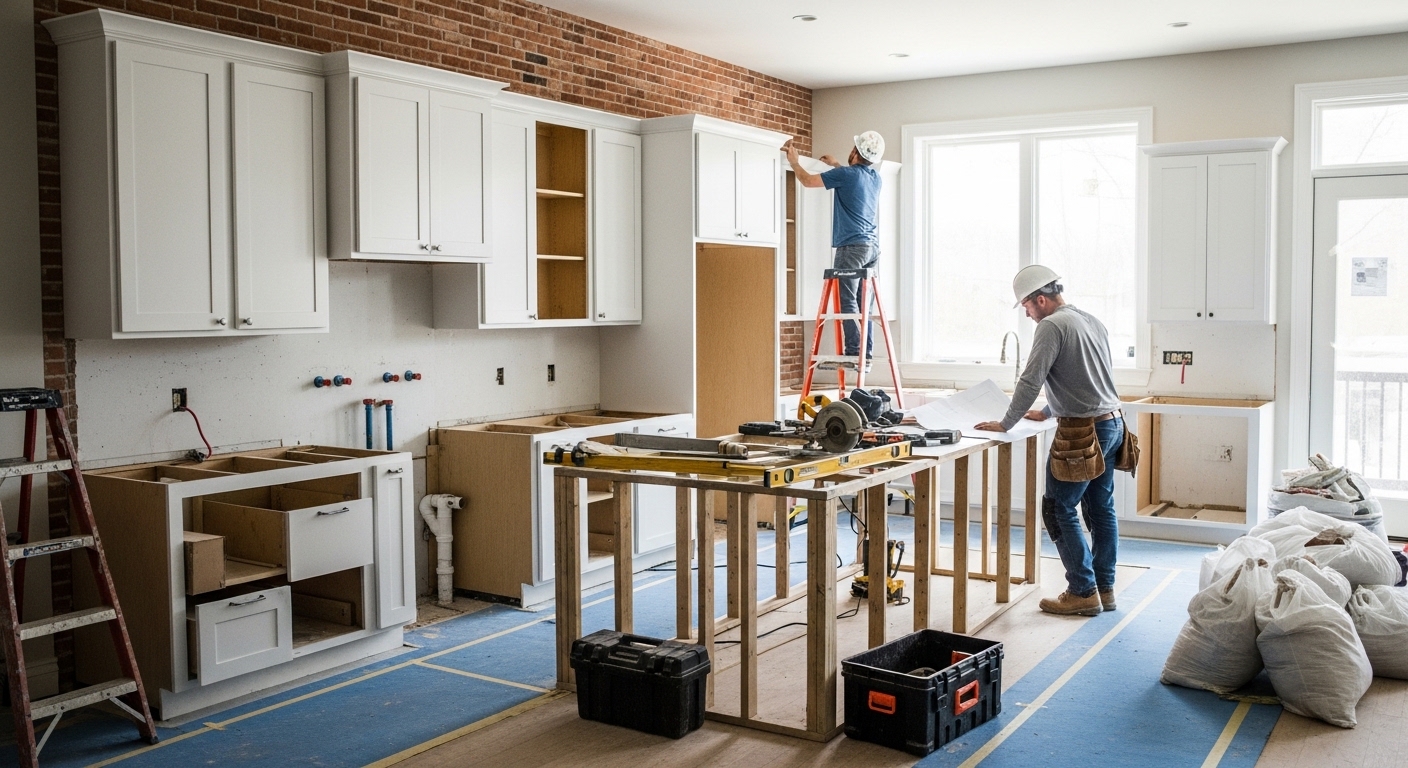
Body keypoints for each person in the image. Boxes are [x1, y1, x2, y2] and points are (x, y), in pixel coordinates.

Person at [974, 265, 1124, 617]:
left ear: (1040, 299)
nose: (1027, 314)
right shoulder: (1090, 320)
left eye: (1026, 306)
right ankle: (1105, 588)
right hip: (1113, 424)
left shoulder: (1051, 325)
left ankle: (1082, 591)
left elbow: (1031, 379)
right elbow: (1083, 377)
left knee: (1058, 508)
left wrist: (1005, 422)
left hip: (1083, 432)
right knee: (1100, 510)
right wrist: (1046, 411)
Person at [785, 131, 885, 366]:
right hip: (871, 248)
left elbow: (809, 181)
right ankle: (865, 354)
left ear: (855, 152)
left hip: (851, 247)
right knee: (863, 304)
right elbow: (853, 181)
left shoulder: (846, 175)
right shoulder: (875, 178)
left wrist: (794, 162)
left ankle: (853, 353)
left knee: (847, 300)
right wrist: (837, 165)